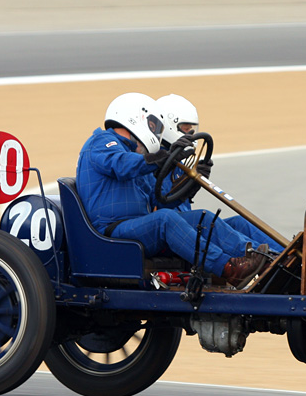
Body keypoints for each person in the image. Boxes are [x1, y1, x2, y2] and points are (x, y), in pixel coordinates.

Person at [76, 92, 266, 286]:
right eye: (153, 126)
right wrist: (163, 157)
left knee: (204, 218)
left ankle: (265, 260)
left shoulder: (136, 157)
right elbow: (121, 165)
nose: (155, 132)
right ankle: (229, 269)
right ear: (133, 118)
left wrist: (190, 185)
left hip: (137, 227)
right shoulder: (101, 143)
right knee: (164, 219)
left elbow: (161, 199)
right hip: (111, 231)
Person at [156, 94, 286, 255]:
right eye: (185, 127)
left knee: (240, 223)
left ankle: (287, 253)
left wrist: (192, 184)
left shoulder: (179, 159)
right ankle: (265, 257)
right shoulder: (157, 161)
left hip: (185, 222)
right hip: (174, 233)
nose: (190, 132)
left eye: (192, 128)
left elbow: (179, 200)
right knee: (207, 220)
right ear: (169, 125)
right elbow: (161, 203)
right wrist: (187, 185)